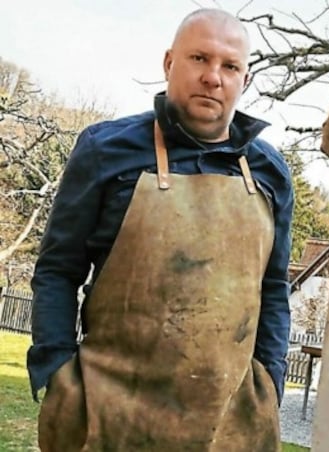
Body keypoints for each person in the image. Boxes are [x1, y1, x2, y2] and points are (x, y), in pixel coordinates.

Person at [26, 8, 293, 451]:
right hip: (109, 419)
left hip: (229, 427)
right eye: (199, 58)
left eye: (230, 66)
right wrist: (58, 372)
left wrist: (271, 382)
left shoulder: (270, 172)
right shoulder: (103, 149)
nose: (213, 77)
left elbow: (274, 286)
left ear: (244, 80)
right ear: (169, 63)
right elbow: (57, 269)